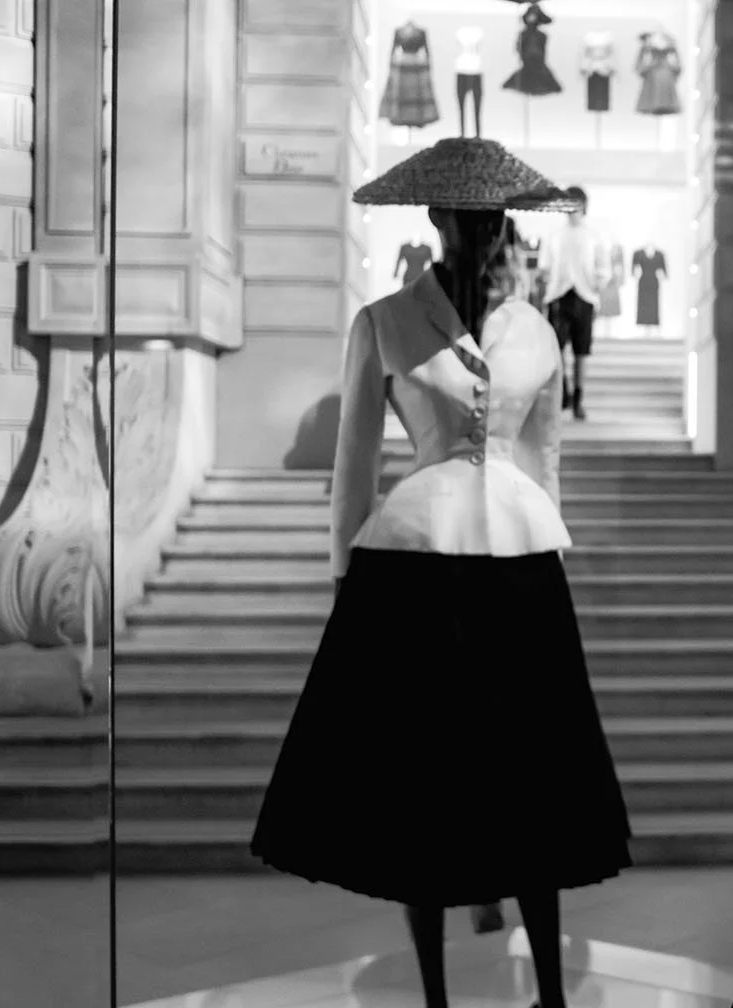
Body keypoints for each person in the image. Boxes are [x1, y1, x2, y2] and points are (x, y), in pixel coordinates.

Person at [250, 139, 632, 1008]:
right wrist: (343, 569)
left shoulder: (534, 330)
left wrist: (553, 548)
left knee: (534, 774)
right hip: (412, 565)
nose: (484, 228)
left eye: (494, 214)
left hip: (521, 565)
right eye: (467, 214)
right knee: (420, 779)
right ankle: (432, 994)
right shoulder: (384, 322)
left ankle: (552, 991)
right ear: (436, 218)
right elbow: (352, 465)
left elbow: (542, 457)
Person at [541, 185, 607, 420]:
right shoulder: (554, 234)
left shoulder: (593, 234)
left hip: (584, 296)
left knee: (581, 351)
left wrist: (597, 284)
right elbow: (545, 264)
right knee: (556, 350)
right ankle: (563, 394)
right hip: (558, 295)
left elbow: (602, 265)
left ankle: (578, 397)